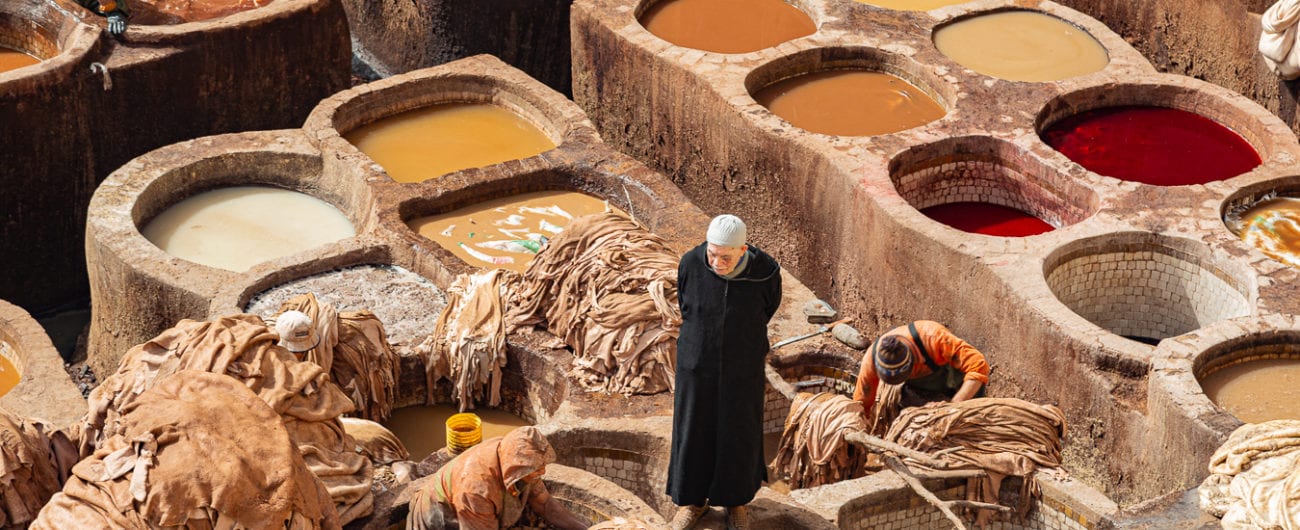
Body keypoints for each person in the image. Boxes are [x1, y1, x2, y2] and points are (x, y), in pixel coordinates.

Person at [667, 214, 782, 530]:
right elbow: (686, 305)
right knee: (693, 428)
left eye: (726, 257)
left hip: (742, 367)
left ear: (743, 249)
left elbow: (767, 310)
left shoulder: (766, 272)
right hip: (696, 363)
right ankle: (692, 502)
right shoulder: (691, 262)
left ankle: (736, 502)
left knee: (738, 432)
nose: (716, 262)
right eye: (712, 253)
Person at [407, 426, 587, 530]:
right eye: (536, 468)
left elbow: (545, 504)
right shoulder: (476, 488)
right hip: (438, 516)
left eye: (541, 466)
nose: (542, 472)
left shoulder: (515, 456)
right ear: (516, 468)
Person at [852, 320, 991, 425]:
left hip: (958, 385)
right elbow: (861, 403)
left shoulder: (933, 338)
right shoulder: (870, 361)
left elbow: (979, 366)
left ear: (913, 362)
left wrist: (953, 406)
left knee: (969, 423)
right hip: (924, 389)